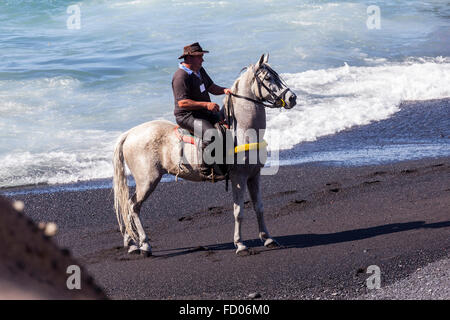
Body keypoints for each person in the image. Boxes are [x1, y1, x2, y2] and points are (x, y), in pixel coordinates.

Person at [172, 42, 231, 180]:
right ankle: (206, 169)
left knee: (227, 125)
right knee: (211, 135)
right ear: (190, 58)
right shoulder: (181, 77)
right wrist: (206, 105)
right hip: (187, 116)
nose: (202, 60)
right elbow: (183, 102)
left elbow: (211, 87)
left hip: (203, 112)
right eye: (199, 57)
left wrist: (225, 90)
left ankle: (224, 162)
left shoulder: (199, 71)